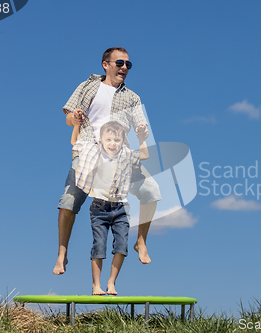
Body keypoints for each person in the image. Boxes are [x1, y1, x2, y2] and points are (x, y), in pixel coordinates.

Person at [53, 47, 161, 275]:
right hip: (89, 151)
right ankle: (62, 253)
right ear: (106, 64)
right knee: (69, 200)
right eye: (120, 63)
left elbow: (142, 126)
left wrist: (142, 131)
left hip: (120, 155)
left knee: (151, 190)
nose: (124, 68)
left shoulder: (132, 97)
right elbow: (68, 118)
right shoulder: (87, 86)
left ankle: (141, 241)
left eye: (128, 65)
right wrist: (75, 117)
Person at [73, 120, 149, 295]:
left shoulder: (126, 155)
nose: (112, 144)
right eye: (109, 140)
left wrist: (141, 138)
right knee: (99, 245)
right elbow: (75, 143)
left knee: (121, 245)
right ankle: (96, 285)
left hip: (121, 208)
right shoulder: (94, 152)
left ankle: (111, 282)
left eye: (117, 140)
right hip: (99, 208)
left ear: (122, 141)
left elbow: (144, 155)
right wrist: (77, 124)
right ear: (100, 140)